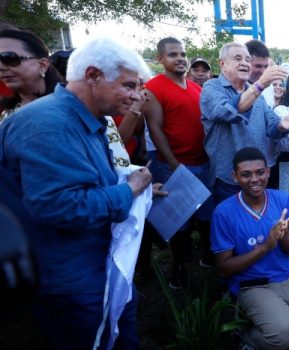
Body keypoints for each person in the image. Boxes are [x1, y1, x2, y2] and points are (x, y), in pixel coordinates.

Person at [0, 37, 153, 349]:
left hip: (91, 263)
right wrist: (128, 190)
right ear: (93, 76)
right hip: (69, 277)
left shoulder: (84, 119)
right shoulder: (50, 125)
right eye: (129, 85)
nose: (137, 97)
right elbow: (60, 206)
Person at [211, 147, 289, 350]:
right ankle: (246, 337)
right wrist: (266, 246)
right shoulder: (224, 212)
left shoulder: (281, 199)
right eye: (246, 174)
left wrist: (282, 236)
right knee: (285, 332)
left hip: (285, 278)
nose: (255, 179)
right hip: (251, 284)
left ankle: (278, 326)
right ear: (235, 177)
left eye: (260, 172)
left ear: (268, 172)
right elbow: (223, 268)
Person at [143, 37, 212, 287]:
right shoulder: (153, 87)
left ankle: (207, 258)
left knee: (206, 215)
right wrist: (174, 166)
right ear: (160, 59)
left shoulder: (196, 88)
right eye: (173, 54)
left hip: (204, 163)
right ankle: (179, 268)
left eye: (183, 54)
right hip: (174, 165)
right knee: (179, 222)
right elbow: (156, 130)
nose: (180, 58)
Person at [200, 42, 289, 204]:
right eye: (238, 58)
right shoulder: (211, 87)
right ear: (222, 63)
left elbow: (272, 126)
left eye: (247, 59)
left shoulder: (256, 92)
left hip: (257, 178)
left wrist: (282, 125)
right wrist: (261, 84)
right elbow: (226, 112)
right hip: (228, 180)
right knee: (230, 225)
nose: (244, 63)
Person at [0, 29, 63, 122]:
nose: (1, 67)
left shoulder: (65, 111)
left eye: (9, 58)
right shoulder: (8, 110)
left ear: (43, 65)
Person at [246, 39, 280, 109]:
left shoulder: (269, 86)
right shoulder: (234, 88)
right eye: (258, 66)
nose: (263, 71)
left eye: (266, 66)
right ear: (246, 63)